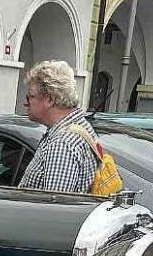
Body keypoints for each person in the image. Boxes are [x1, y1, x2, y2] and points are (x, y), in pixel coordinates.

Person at [18, 60, 98, 193]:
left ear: (50, 99)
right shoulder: (80, 126)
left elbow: (54, 203)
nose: (26, 103)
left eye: (30, 96)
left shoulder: (62, 143)